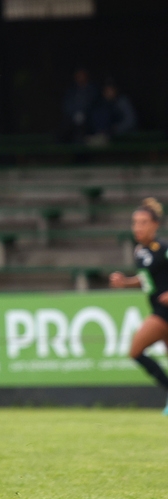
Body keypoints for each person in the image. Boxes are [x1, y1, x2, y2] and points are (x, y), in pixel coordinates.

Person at [109, 197, 168, 414]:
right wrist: (125, 282)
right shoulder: (139, 252)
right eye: (135, 222)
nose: (138, 227)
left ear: (155, 225)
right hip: (159, 310)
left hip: (164, 313)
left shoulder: (163, 248)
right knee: (137, 352)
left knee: (135, 350)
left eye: (143, 222)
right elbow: (146, 279)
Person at [60, 67, 100, 144]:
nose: (79, 78)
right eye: (78, 76)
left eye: (81, 75)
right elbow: (67, 106)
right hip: (72, 120)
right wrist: (74, 115)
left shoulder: (92, 90)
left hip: (89, 121)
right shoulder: (71, 91)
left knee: (82, 132)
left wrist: (84, 114)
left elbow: (93, 105)